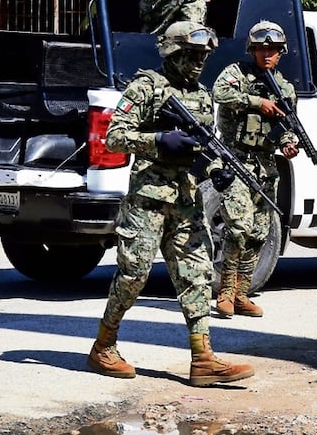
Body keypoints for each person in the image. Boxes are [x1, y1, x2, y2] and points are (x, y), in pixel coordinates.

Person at [86, 20, 255, 387]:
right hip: (148, 201)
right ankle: (103, 346)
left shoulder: (201, 95)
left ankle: (203, 359)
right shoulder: (145, 88)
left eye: (203, 56)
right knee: (134, 276)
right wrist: (159, 140)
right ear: (172, 52)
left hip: (186, 201)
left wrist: (216, 170)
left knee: (197, 275)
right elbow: (115, 136)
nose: (198, 63)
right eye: (191, 55)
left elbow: (203, 147)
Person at [211, 20, 300, 317]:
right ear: (252, 50)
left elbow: (287, 126)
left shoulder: (285, 88)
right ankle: (224, 291)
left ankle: (241, 293)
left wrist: (289, 143)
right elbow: (219, 93)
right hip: (235, 160)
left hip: (264, 166)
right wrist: (256, 101)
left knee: (259, 234)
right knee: (238, 228)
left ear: (281, 52)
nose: (266, 55)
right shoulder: (237, 73)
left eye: (272, 50)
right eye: (261, 49)